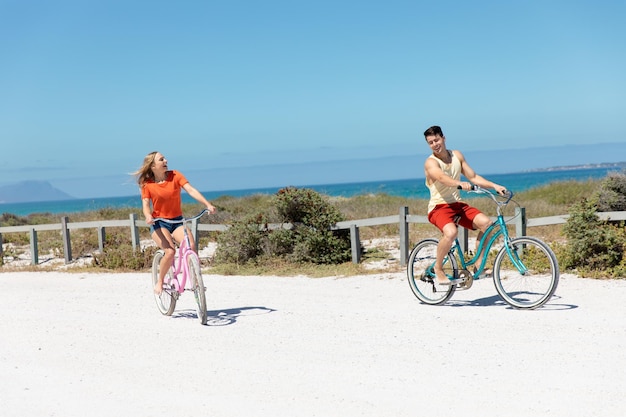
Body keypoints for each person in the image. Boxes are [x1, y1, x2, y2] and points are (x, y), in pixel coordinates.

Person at [423, 125, 507, 285]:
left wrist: (494, 186)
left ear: (444, 138)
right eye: (430, 142)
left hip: (457, 205)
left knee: (487, 224)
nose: (435, 144)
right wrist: (459, 183)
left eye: (437, 140)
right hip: (438, 207)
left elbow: (473, 176)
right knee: (451, 232)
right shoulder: (430, 162)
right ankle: (438, 269)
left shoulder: (457, 156)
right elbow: (441, 178)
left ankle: (478, 266)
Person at [133, 151, 216, 294]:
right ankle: (160, 281)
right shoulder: (147, 184)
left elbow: (190, 190)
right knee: (170, 252)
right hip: (159, 223)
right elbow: (146, 204)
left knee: (191, 245)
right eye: (161, 159)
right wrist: (148, 216)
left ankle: (195, 277)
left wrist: (207, 204)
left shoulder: (175, 175)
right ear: (153, 166)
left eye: (164, 158)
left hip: (177, 221)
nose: (166, 160)